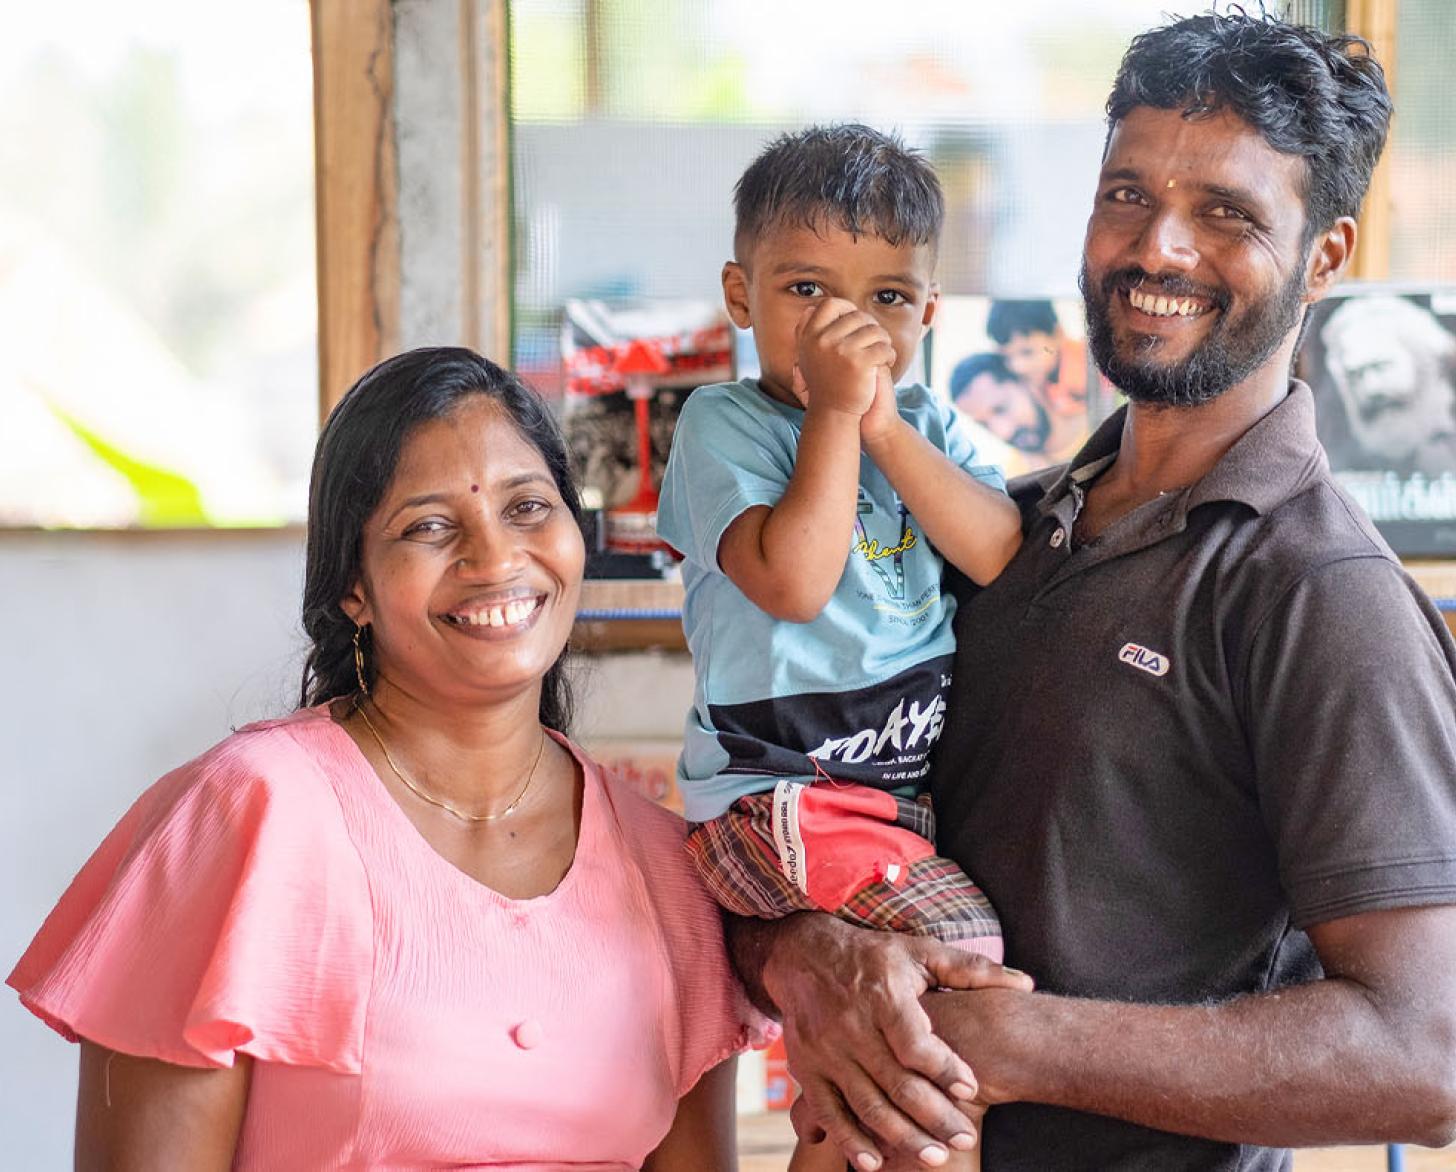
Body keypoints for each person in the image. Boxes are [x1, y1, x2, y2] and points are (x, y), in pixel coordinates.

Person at [729, 14, 1456, 1172]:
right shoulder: (986, 529)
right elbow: (789, 806)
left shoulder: (1322, 594)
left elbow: (1426, 1057)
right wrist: (801, 952)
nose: (1156, 246)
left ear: (1325, 257)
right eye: (1126, 193)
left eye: (1225, 211)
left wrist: (1012, 1039)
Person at [9, 347, 767, 1169]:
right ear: (353, 587)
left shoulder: (668, 867)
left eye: (526, 508)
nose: (495, 559)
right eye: (430, 527)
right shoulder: (247, 817)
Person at [656, 124, 1028, 1171]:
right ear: (741, 296)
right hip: (773, 799)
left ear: (928, 312)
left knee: (875, 1042)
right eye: (809, 291)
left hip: (876, 802)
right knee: (960, 967)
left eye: (887, 299)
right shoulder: (723, 427)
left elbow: (997, 549)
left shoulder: (924, 426)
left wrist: (886, 430)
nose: (849, 327)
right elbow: (793, 577)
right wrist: (832, 415)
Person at [1317, 294, 1456, 476]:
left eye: (1380, 367)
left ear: (1422, 362)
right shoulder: (1334, 452)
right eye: (1357, 375)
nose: (1370, 387)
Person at [948, 352, 1052, 456]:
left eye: (1001, 409)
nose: (1004, 432)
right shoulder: (1015, 471)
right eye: (985, 424)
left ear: (1026, 381)